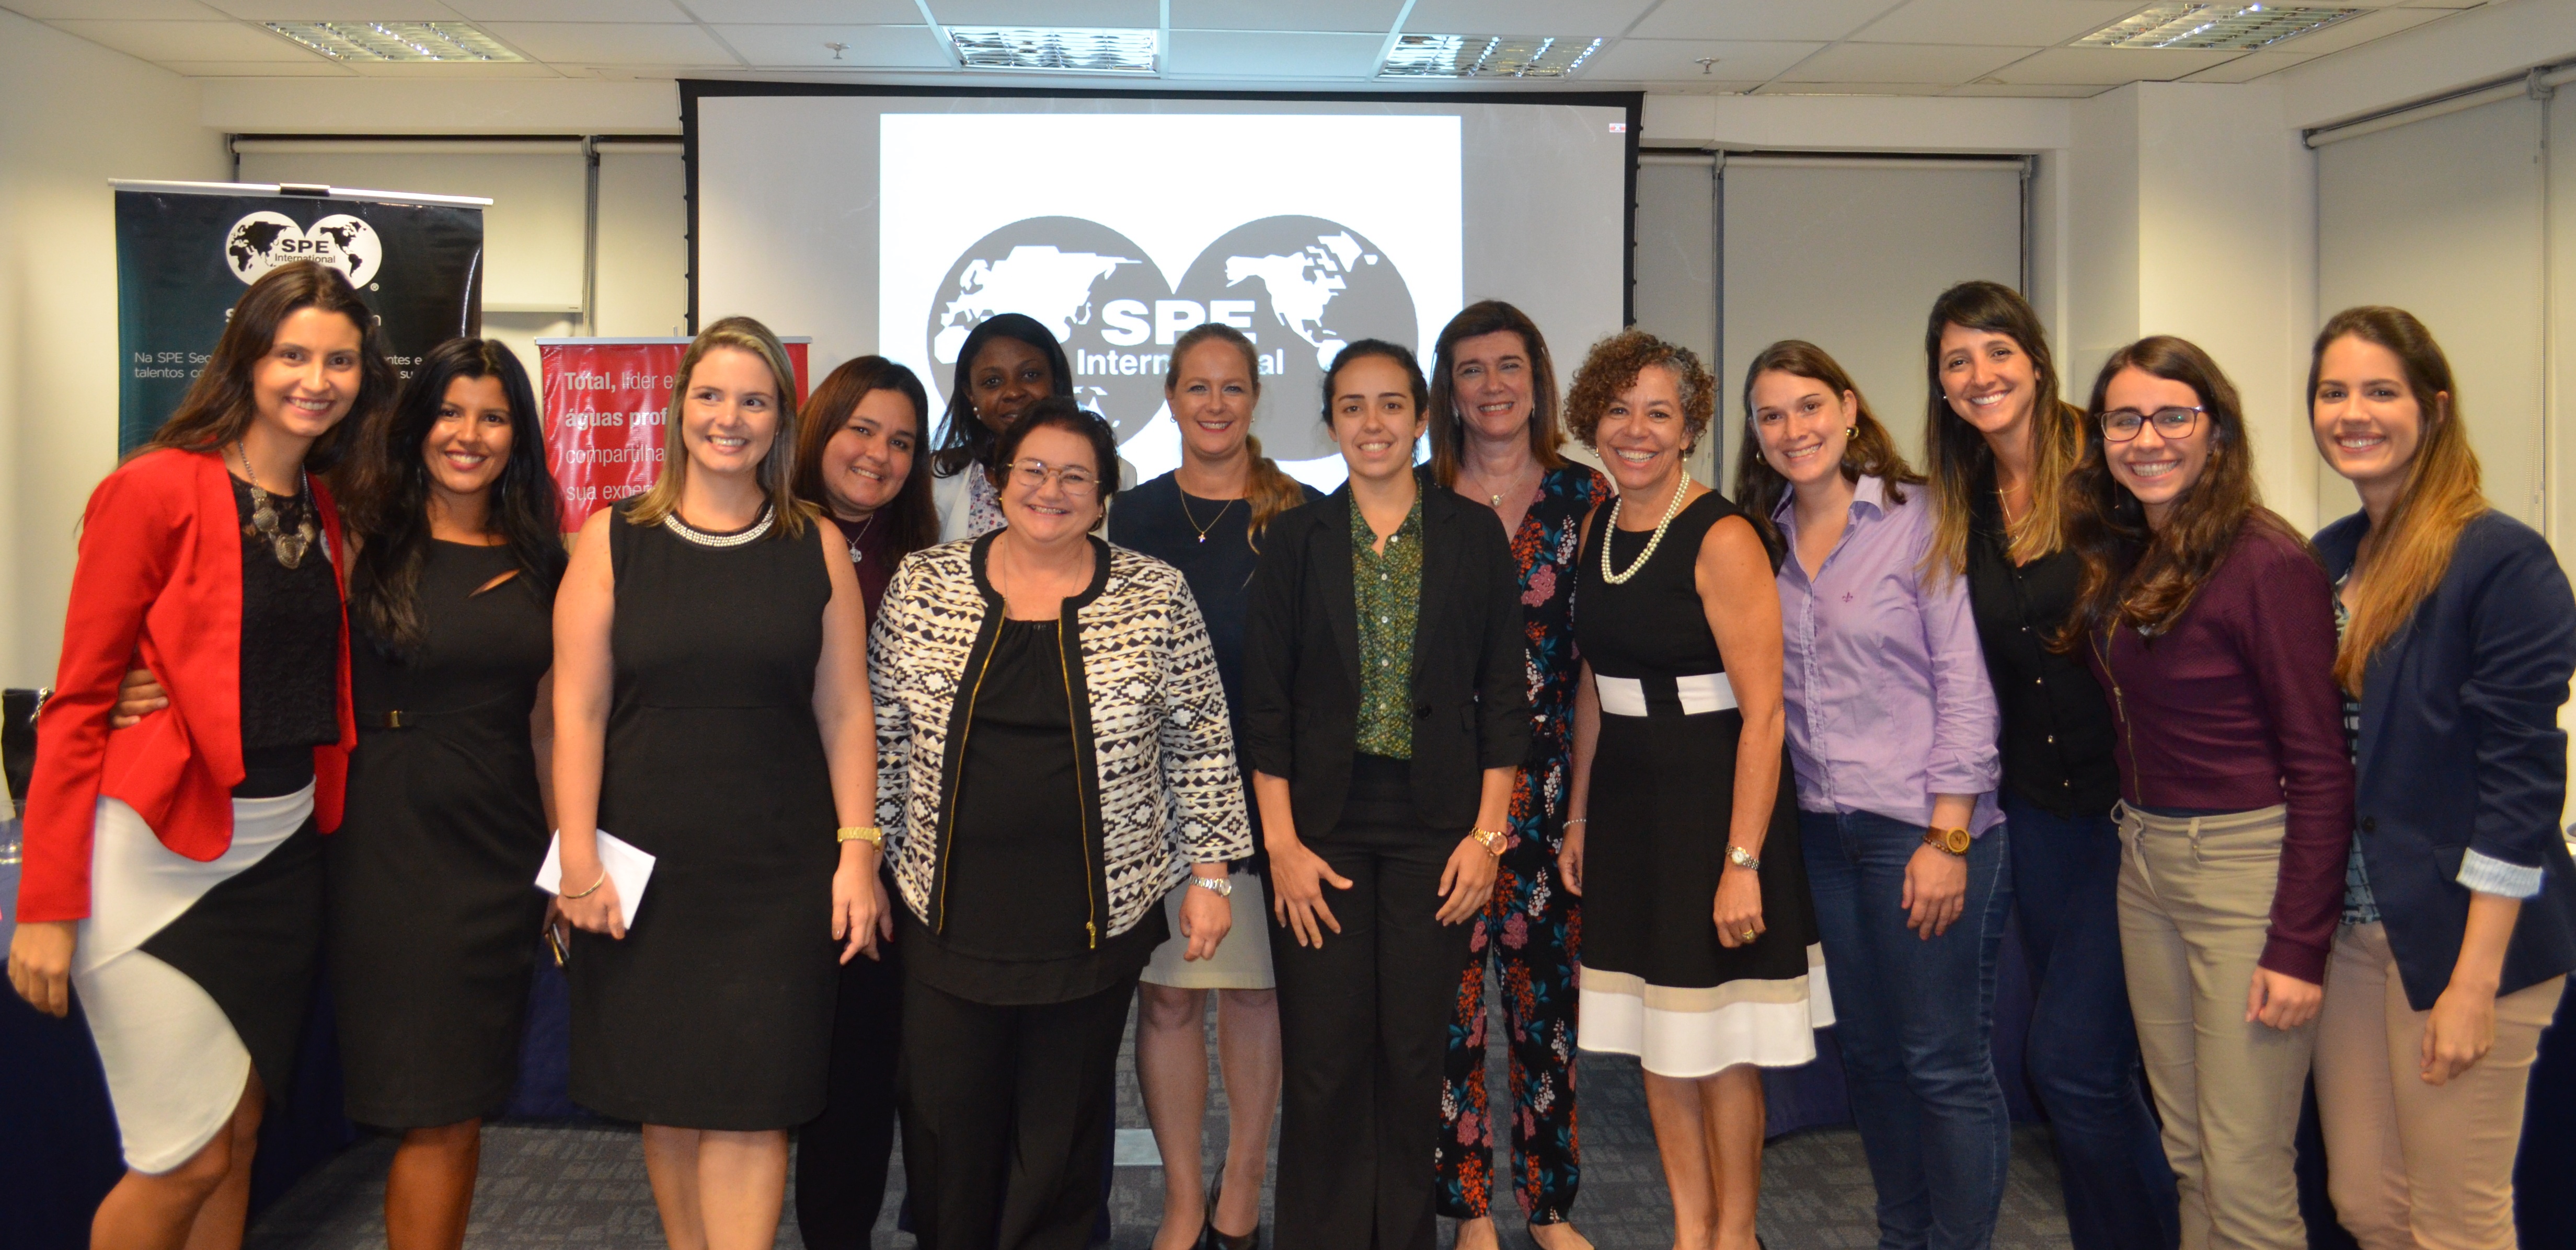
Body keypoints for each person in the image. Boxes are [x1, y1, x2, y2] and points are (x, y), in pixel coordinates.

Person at [7, 260, 380, 1250]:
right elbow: (77, 704)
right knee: (183, 1159)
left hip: (282, 856)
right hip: (155, 858)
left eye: (340, 360)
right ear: (246, 358)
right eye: (292, 354)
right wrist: (45, 905)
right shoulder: (153, 487)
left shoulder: (323, 504)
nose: (317, 379)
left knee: (240, 1134)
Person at [871, 397, 1251, 1250]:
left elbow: (1199, 739)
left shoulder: (1155, 594)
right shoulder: (925, 582)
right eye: (1034, 470)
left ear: (1103, 495)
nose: (1051, 490)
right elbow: (882, 739)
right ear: (1000, 480)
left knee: (1062, 1131)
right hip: (944, 909)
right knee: (946, 1121)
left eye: (1076, 476)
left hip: (1091, 917)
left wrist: (1211, 876)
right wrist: (866, 859)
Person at [550, 316, 882, 1250]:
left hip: (776, 875)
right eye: (710, 396)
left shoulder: (815, 543)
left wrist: (857, 854)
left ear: (781, 420)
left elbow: (845, 711)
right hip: (645, 868)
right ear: (678, 408)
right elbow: (577, 710)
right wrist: (576, 859)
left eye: (753, 400)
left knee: (754, 1100)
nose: (728, 419)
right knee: (670, 1096)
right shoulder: (613, 537)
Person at [2061, 335, 2351, 1250]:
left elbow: (2320, 765)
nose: (2145, 438)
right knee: (2188, 1150)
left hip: (2242, 870)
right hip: (2145, 861)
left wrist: (2297, 946)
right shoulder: (2133, 551)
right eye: (2123, 419)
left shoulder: (2266, 562)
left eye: (2171, 416)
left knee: (2245, 1169)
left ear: (2215, 430)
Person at [1241, 340, 1527, 1250]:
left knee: (1411, 1056)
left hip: (1435, 828)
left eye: (1392, 404)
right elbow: (1266, 707)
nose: (1373, 424)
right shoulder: (1295, 540)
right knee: (1324, 1059)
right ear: (1330, 422)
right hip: (1316, 832)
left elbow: (1504, 697)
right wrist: (1280, 846)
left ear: (1421, 418)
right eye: (1353, 406)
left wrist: (1486, 838)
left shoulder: (1472, 534)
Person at [2305, 306, 2576, 1250]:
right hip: (2354, 935)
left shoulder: (2499, 559)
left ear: (2434, 405)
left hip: (2465, 940)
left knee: (2455, 1221)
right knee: (2368, 1206)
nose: (2352, 412)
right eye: (2333, 392)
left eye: (2380, 391)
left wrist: (2474, 982)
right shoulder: (2329, 556)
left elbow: (2522, 782)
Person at [1918, 281, 2178, 1250]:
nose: (1980, 374)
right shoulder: (1961, 501)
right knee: (2092, 1074)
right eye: (1957, 361)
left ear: (2035, 358)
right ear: (1941, 386)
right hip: (2039, 818)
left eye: (1997, 351)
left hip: (2135, 812)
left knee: (2070, 1064)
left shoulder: (2113, 470)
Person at [1735, 340, 2011, 1249]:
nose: (1793, 429)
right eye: (1771, 415)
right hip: (1824, 834)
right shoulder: (1762, 540)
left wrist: (1947, 836)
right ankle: (1903, 1237)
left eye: (1809, 406)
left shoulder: (1919, 517)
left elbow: (1966, 683)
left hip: (1923, 827)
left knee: (1942, 1062)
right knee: (1871, 1059)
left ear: (1849, 409)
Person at [1559, 331, 1825, 1250]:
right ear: (1592, 419)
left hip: (1713, 806)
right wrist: (1580, 814)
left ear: (1689, 427)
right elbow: (1593, 684)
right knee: (1657, 1035)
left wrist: (1741, 860)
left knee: (1721, 1044)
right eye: (1617, 410)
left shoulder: (1723, 534)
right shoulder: (1596, 527)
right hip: (1628, 805)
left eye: (1658, 413)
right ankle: (1687, 1229)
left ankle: (1735, 1234)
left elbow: (1765, 714)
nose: (1635, 430)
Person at [1110, 324, 1316, 1250]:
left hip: (1270, 795)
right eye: (1197, 387)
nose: (1215, 404)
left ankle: (1242, 1181)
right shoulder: (1128, 515)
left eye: (1232, 387)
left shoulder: (1300, 513)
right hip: (1152, 802)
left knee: (1257, 995)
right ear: (1169, 397)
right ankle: (1182, 1197)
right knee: (1166, 999)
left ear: (1255, 397)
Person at [1424, 300, 1608, 1250]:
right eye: (1470, 369)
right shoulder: (1413, 497)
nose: (1491, 385)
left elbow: (1597, 671)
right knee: (1447, 1015)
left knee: (1546, 1013)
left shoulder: (1588, 497)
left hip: (1546, 798)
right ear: (1446, 391)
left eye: (1508, 366)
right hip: (1436, 800)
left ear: (1536, 380)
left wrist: (1580, 814)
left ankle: (1548, 1206)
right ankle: (1466, 1210)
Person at [784, 354, 941, 1249]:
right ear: (819, 429)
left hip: (887, 852)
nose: (879, 455)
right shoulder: (759, 535)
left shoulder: (925, 564)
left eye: (902, 442)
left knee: (864, 1069)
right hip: (768, 836)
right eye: (862, 430)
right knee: (760, 1067)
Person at [930, 314, 1075, 542]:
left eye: (1030, 375)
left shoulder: (1116, 475)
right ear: (971, 395)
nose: (1014, 392)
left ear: (1056, 381)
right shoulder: (935, 479)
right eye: (993, 382)